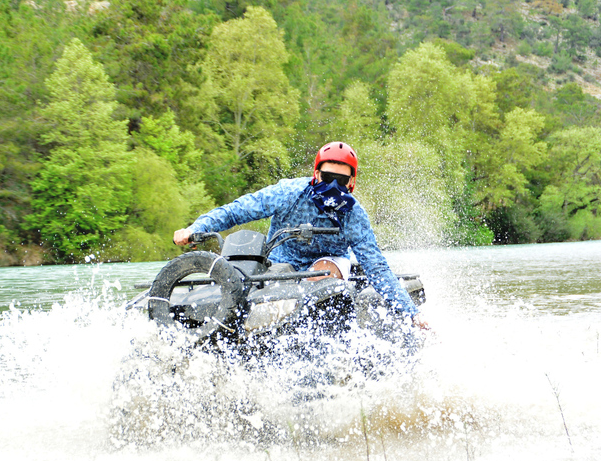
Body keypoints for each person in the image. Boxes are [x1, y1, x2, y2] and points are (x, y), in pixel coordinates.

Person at [173, 141, 429, 331]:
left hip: (329, 263)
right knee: (246, 279)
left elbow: (376, 267)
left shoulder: (353, 213)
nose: (333, 186)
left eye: (341, 181)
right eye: (328, 177)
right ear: (316, 174)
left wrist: (412, 313)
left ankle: (305, 331)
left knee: (319, 274)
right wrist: (195, 228)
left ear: (351, 183)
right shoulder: (289, 192)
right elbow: (238, 210)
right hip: (279, 261)